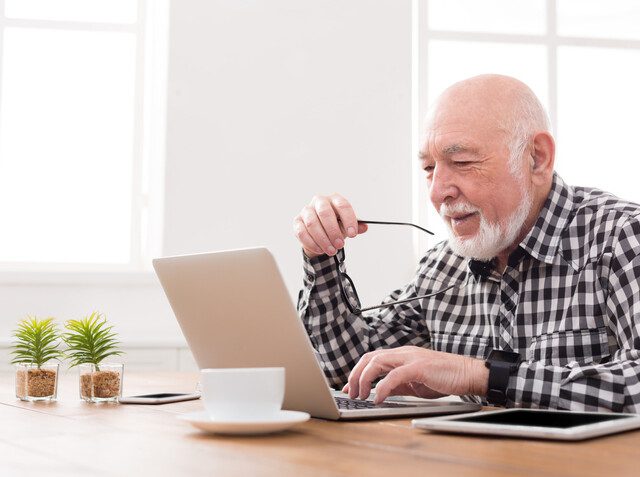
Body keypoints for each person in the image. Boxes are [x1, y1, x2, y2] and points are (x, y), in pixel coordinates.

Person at [292, 74, 640, 413]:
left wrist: (473, 375)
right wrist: (321, 255)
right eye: (429, 168)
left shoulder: (622, 237)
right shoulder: (443, 265)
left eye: (462, 163)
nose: (437, 191)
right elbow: (350, 369)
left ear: (537, 157)